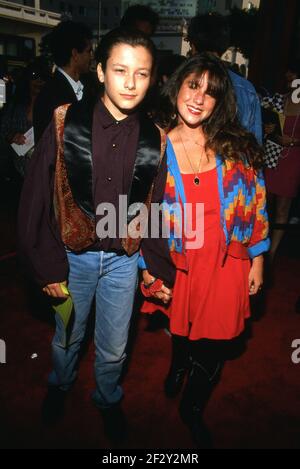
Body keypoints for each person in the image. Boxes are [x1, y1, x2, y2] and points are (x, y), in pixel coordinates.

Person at [18, 28, 167, 442]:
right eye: (120, 70)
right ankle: (59, 386)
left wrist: (152, 267)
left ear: (152, 79)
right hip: (71, 259)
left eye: (142, 73)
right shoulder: (66, 121)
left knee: (115, 347)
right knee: (66, 337)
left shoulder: (157, 138)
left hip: (122, 263)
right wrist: (46, 265)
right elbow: (35, 199)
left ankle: (107, 398)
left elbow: (154, 207)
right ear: (101, 71)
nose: (131, 82)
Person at [139, 53, 270, 448]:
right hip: (180, 260)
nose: (199, 98)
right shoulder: (152, 143)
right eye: (193, 85)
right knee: (183, 330)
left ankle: (191, 407)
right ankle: (179, 360)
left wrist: (258, 258)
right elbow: (138, 214)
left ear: (220, 101)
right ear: (176, 86)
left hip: (227, 260)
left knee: (214, 346)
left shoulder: (238, 145)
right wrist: (148, 268)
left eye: (210, 92)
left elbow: (256, 202)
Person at [186, 13, 262, 143]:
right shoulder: (246, 88)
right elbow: (255, 142)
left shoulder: (183, 80)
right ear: (224, 46)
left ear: (193, 46)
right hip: (235, 160)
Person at [262, 62, 300, 262]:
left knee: (283, 208)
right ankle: (261, 244)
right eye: (288, 73)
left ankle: (272, 253)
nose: (288, 76)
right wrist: (269, 130)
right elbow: (267, 127)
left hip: (293, 160)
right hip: (273, 156)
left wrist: (292, 141)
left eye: (292, 73)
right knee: (265, 203)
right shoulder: (278, 100)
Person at [33, 21, 93, 143]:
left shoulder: (90, 88)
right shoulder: (50, 96)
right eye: (88, 51)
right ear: (75, 54)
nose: (91, 56)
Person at [1, 58, 50, 177]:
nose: (39, 81)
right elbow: (3, 128)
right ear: (27, 79)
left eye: (43, 77)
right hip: (14, 172)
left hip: (41, 173)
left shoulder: (51, 107)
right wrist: (12, 136)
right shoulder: (16, 105)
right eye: (34, 76)